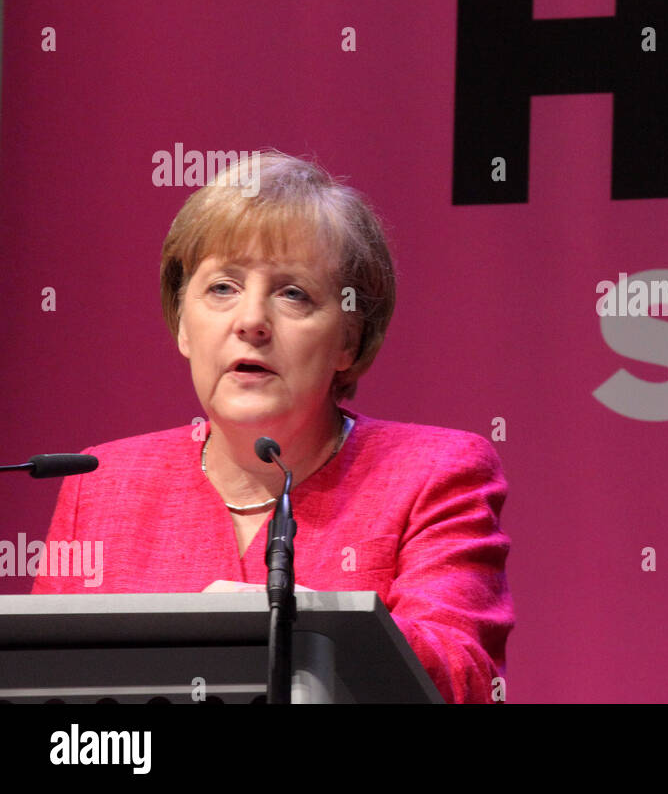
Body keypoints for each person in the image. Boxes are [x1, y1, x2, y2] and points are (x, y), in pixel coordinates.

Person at [31, 151, 513, 705]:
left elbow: (464, 681)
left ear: (348, 342)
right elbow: (43, 687)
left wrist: (300, 630)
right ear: (182, 324)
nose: (251, 321)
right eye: (222, 288)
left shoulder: (432, 474)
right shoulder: (101, 484)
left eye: (294, 294)